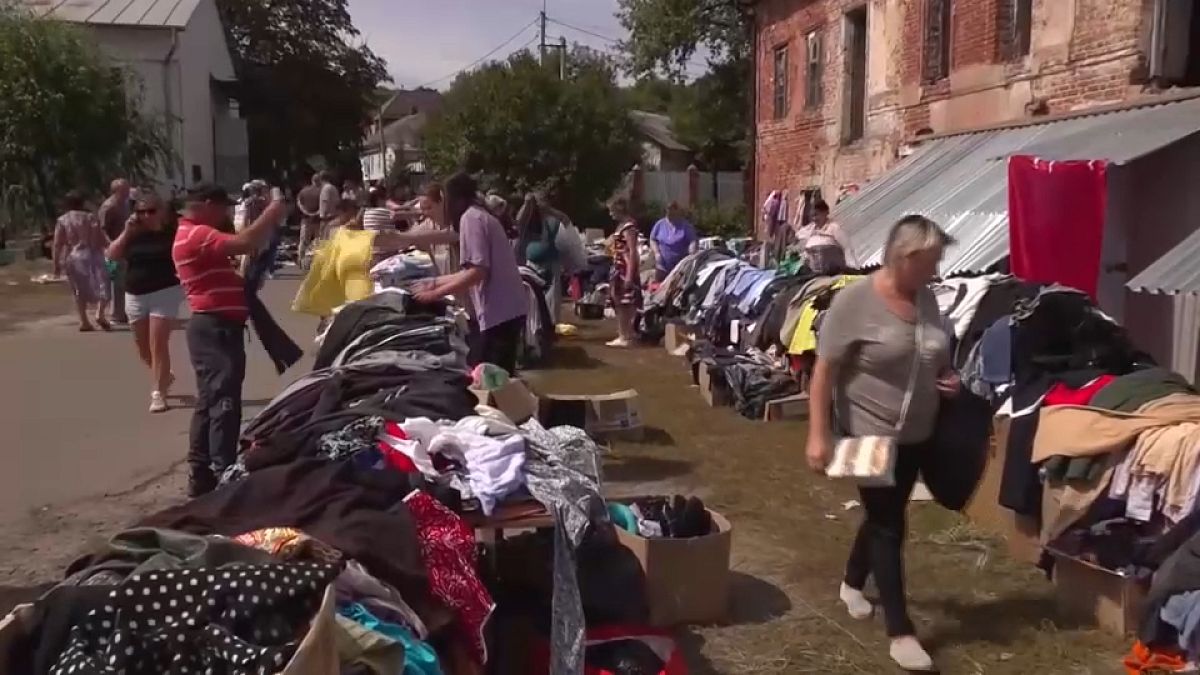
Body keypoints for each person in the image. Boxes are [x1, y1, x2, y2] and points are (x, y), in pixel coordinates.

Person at [804, 215, 958, 672]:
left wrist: (949, 381)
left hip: (919, 433)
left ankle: (853, 582)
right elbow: (824, 371)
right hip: (868, 431)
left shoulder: (928, 300)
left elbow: (936, 356)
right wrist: (818, 434)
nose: (935, 270)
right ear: (903, 257)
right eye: (929, 261)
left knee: (882, 515)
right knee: (889, 525)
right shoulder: (855, 301)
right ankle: (900, 631)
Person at [174, 183, 286, 497]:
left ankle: (202, 471)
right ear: (208, 204)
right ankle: (222, 471)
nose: (225, 214)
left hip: (216, 327)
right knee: (222, 402)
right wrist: (273, 210)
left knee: (211, 400)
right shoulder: (196, 233)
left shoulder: (191, 232)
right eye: (223, 208)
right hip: (215, 328)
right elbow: (244, 242)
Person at [414, 173, 526, 373]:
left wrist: (434, 294)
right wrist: (435, 282)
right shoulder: (477, 215)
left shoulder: (471, 219)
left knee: (491, 376)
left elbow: (477, 273)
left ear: (456, 200)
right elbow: (469, 270)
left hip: (500, 313)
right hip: (507, 310)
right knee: (492, 373)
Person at [105, 191, 183, 413]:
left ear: (162, 212)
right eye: (141, 212)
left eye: (151, 211)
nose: (146, 215)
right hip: (136, 293)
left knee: (158, 344)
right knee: (143, 348)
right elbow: (111, 255)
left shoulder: (172, 232)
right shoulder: (132, 233)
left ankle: (158, 393)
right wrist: (127, 232)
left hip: (165, 291)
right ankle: (165, 375)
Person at [53, 191, 111, 332]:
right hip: (93, 255)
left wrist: (56, 264)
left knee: (78, 290)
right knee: (104, 285)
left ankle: (84, 321)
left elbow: (57, 244)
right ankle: (100, 313)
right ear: (82, 203)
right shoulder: (91, 217)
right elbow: (101, 240)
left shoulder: (63, 220)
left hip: (74, 256)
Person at [606, 198, 641, 348]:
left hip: (625, 268)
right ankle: (625, 333)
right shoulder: (621, 226)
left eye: (612, 210)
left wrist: (629, 275)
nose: (610, 214)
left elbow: (633, 252)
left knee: (624, 303)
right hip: (618, 267)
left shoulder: (628, 228)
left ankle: (625, 335)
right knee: (618, 301)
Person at [97, 178, 132, 324]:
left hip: (124, 247)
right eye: (124, 189)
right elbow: (102, 229)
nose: (128, 191)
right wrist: (110, 245)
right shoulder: (108, 206)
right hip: (111, 249)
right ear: (116, 190)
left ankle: (121, 311)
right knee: (114, 281)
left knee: (122, 280)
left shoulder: (124, 204)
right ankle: (115, 314)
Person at [795, 200, 858, 274]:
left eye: (816, 215)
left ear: (826, 212)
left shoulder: (834, 228)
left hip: (834, 272)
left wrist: (853, 269)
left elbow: (847, 248)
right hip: (814, 273)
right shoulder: (810, 229)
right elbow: (797, 237)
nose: (814, 219)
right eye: (812, 216)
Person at [649, 201, 698, 281]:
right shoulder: (660, 224)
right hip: (662, 265)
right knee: (660, 287)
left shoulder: (685, 226)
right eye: (668, 212)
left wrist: (692, 252)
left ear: (677, 211)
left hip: (680, 266)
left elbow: (693, 240)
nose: (670, 215)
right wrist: (657, 252)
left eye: (672, 212)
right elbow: (652, 239)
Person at [296, 175, 322, 264]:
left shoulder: (303, 191)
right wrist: (317, 213)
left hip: (306, 219)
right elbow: (324, 205)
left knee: (303, 240)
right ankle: (317, 261)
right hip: (318, 220)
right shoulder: (322, 191)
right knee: (318, 240)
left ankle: (300, 258)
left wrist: (306, 212)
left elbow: (299, 203)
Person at [318, 172, 341, 239]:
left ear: (321, 179)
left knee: (325, 239)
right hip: (334, 216)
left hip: (327, 218)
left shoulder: (326, 188)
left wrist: (324, 217)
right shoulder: (333, 188)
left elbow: (325, 202)